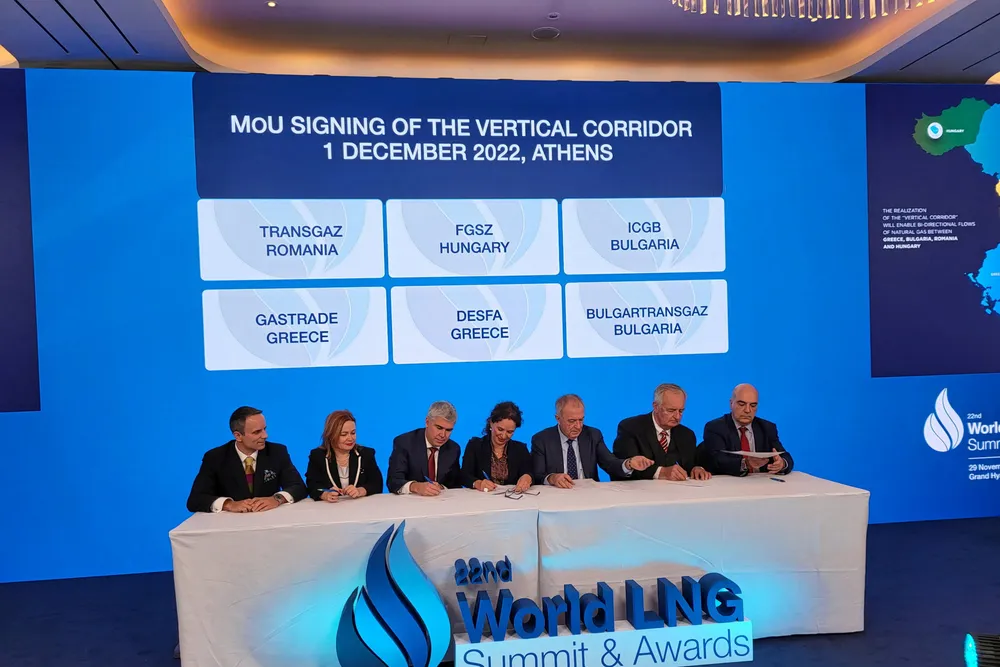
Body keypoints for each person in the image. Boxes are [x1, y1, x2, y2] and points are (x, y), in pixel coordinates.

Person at [186, 406, 307, 513]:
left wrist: (276, 499)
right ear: (238, 436)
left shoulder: (277, 452)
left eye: (264, 429)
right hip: (231, 524)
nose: (265, 435)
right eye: (257, 432)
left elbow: (299, 487)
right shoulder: (215, 458)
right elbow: (195, 499)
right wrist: (229, 504)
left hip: (269, 519)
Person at [531, 394, 654, 488]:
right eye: (572, 421)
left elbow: (610, 463)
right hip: (557, 495)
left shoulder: (593, 435)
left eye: (581, 420)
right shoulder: (541, 439)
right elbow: (537, 475)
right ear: (558, 419)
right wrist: (552, 478)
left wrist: (629, 464)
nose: (578, 426)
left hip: (589, 494)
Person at [612, 384, 711, 481]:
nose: (677, 416)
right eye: (671, 410)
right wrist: (661, 472)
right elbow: (623, 467)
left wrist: (696, 469)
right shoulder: (631, 428)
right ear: (656, 407)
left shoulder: (687, 434)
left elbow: (690, 465)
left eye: (681, 411)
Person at [700, 384, 794, 476]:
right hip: (729, 483)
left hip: (761, 483)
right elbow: (717, 460)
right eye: (742, 404)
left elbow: (784, 455)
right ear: (731, 403)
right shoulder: (715, 427)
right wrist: (745, 464)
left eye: (753, 405)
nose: (747, 410)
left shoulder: (767, 428)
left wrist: (782, 464)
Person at [305, 410, 384, 501]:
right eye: (344, 434)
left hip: (361, 507)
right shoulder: (318, 456)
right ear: (331, 435)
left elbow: (377, 483)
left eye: (353, 433)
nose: (350, 438)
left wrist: (360, 491)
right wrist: (325, 494)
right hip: (331, 507)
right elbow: (313, 486)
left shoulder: (366, 454)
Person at [387, 401, 462, 495]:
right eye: (439, 428)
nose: (443, 435)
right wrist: (416, 487)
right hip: (410, 502)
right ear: (427, 422)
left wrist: (442, 487)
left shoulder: (453, 449)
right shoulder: (404, 443)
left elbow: (455, 484)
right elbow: (393, 481)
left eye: (448, 430)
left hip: (441, 501)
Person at [462, 401, 533, 493]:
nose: (503, 436)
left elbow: (531, 472)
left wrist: (528, 477)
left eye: (509, 432)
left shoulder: (520, 449)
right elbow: (464, 476)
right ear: (491, 423)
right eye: (500, 429)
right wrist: (477, 483)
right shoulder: (475, 446)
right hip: (483, 498)